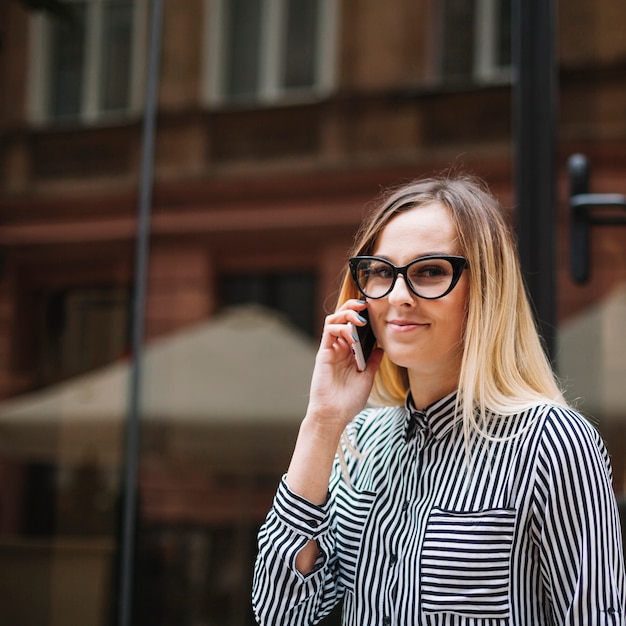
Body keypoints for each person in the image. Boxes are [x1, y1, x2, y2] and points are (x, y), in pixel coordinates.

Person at [252, 173, 626, 625]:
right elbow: (279, 612)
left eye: (430, 271)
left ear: (484, 289)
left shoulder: (552, 442)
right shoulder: (358, 442)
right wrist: (323, 420)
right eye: (382, 272)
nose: (399, 297)